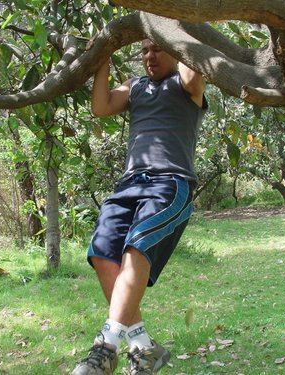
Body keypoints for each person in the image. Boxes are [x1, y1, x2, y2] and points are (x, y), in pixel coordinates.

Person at [72, 39, 207, 375]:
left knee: (137, 246)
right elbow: (101, 106)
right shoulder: (134, 87)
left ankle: (105, 347)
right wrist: (103, 55)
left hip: (170, 183)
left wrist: (177, 28)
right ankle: (144, 348)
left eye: (157, 49)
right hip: (129, 184)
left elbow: (192, 73)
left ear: (176, 51)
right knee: (102, 251)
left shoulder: (187, 84)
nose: (149, 56)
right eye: (145, 50)